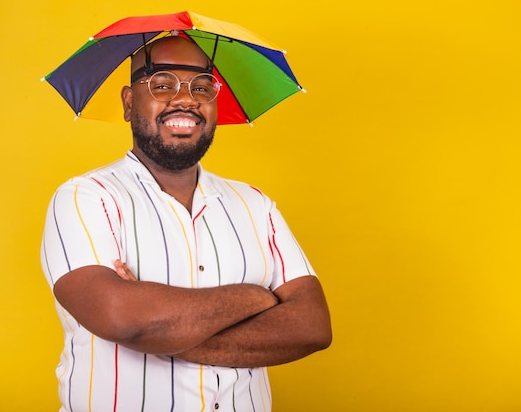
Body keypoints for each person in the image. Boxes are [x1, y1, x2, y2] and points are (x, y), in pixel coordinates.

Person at [41, 35, 332, 412]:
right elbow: (120, 318)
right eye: (162, 84)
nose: (185, 99)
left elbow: (312, 327)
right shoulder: (86, 197)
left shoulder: (256, 205)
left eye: (202, 86)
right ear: (129, 103)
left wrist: (160, 332)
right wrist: (255, 298)